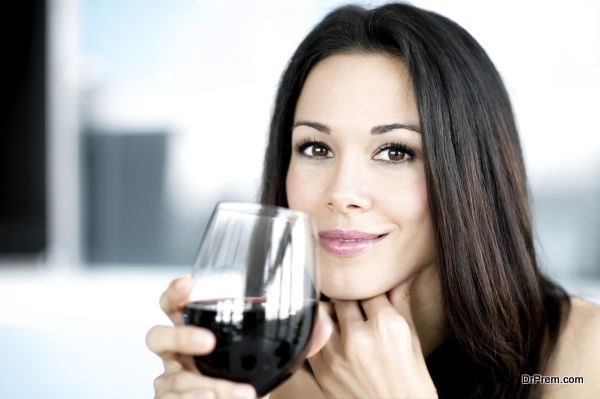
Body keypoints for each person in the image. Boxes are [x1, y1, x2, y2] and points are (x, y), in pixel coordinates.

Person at [146, 3, 600, 398]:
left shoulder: (581, 358)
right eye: (316, 149)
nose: (342, 192)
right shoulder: (271, 375)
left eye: (395, 152)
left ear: (472, 177)